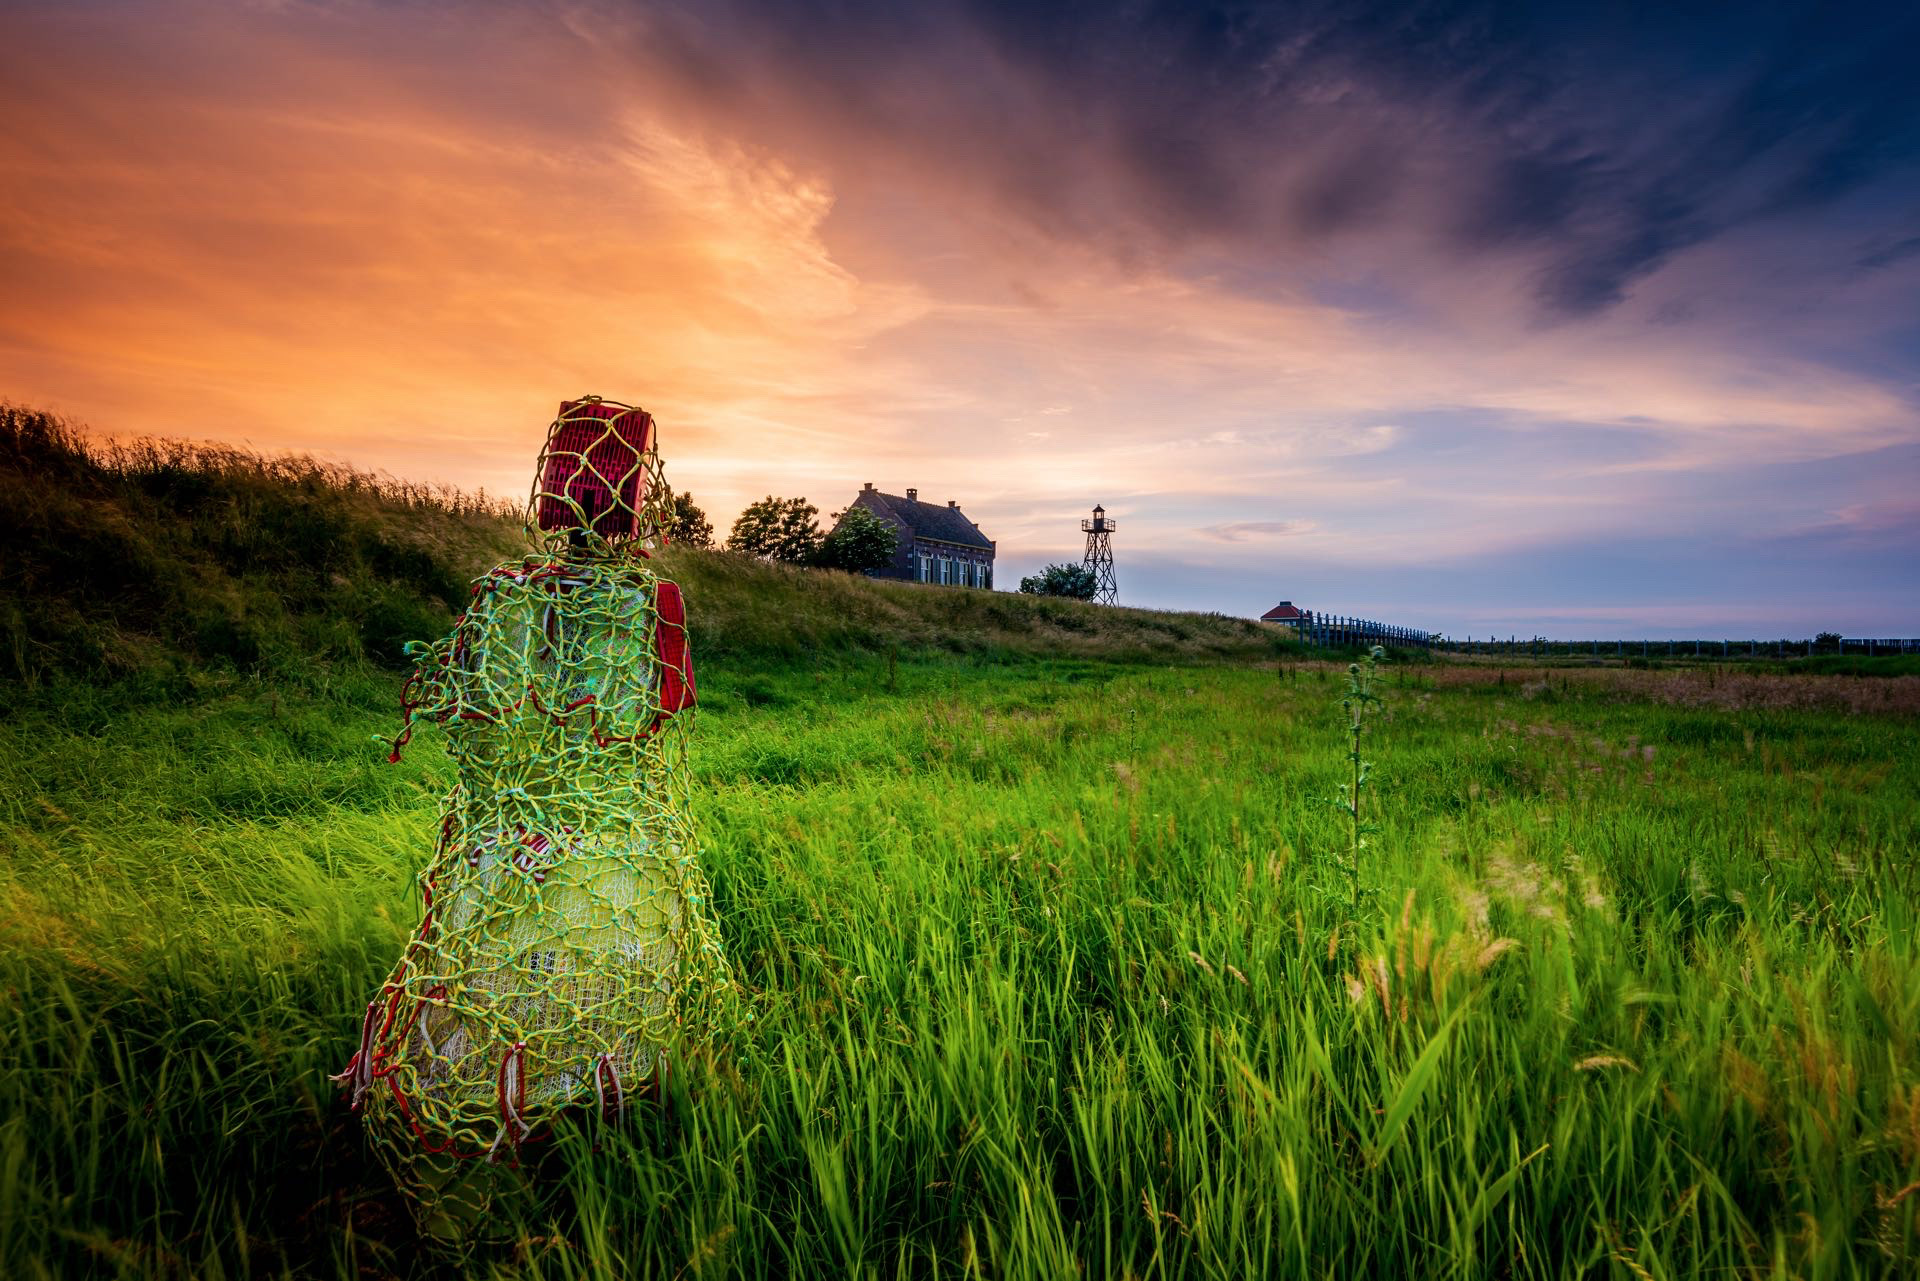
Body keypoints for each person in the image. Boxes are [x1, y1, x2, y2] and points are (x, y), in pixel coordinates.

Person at [334, 396, 734, 1228]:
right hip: (613, 845)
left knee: (497, 998)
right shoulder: (655, 602)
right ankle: (591, 1153)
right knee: (597, 995)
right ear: (638, 493)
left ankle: (515, 1155)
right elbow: (655, 726)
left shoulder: (498, 596)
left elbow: (471, 710)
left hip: (505, 847)